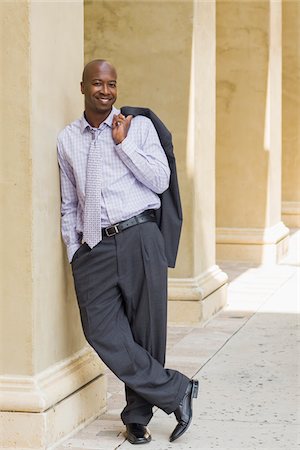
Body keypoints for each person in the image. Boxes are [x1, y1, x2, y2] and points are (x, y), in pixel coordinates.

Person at [57, 59, 198, 445]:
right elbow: (70, 201)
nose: (106, 91)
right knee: (100, 330)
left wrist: (122, 146)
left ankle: (137, 417)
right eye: (98, 84)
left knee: (145, 330)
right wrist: (75, 248)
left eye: (112, 84)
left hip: (140, 236)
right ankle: (176, 390)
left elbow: (160, 180)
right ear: (83, 86)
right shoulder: (66, 139)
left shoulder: (139, 128)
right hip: (94, 245)